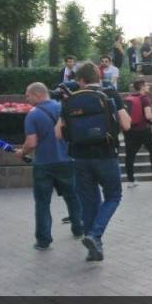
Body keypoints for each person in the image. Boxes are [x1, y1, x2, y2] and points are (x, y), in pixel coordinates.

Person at [55, 62, 131, 263]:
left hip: (79, 157)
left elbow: (58, 133)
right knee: (113, 196)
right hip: (105, 154)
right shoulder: (110, 94)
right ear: (98, 76)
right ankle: (95, 236)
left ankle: (93, 249)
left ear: (80, 80)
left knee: (89, 203)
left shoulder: (70, 100)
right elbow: (126, 124)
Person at [16, 82, 83, 249]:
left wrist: (22, 153)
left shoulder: (33, 115)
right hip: (67, 160)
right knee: (73, 196)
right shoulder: (63, 108)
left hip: (44, 164)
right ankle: (78, 228)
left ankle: (43, 240)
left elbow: (31, 143)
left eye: (28, 96)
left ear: (37, 95)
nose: (27, 99)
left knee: (42, 202)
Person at [123, 79, 152, 186]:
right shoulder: (145, 99)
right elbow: (148, 115)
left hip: (130, 131)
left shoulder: (129, 98)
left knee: (130, 155)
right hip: (144, 130)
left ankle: (131, 181)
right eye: (147, 85)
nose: (148, 87)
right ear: (142, 87)